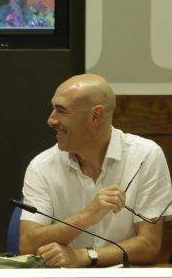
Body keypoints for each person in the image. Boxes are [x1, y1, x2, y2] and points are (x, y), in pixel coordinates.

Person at [19, 73, 172, 267]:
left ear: (95, 116)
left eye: (61, 110)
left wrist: (84, 256)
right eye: (53, 109)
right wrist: (86, 216)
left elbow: (149, 245)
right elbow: (27, 245)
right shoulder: (41, 166)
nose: (51, 120)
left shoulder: (145, 156)